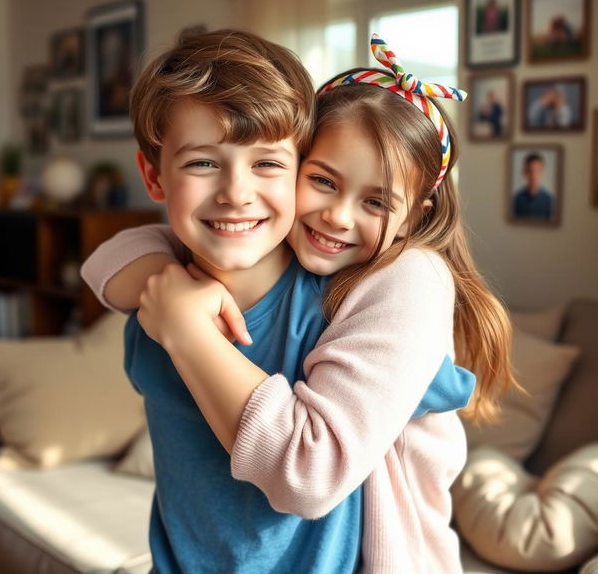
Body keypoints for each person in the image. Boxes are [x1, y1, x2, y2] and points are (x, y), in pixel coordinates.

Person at [83, 31, 514, 573]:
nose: (236, 192)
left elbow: (310, 476)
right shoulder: (157, 289)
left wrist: (186, 328)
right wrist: (166, 291)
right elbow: (106, 261)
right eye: (201, 164)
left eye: (266, 164)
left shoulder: (379, 293)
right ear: (154, 176)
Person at [512, 152, 554, 220]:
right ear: (525, 172)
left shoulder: (549, 200)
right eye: (530, 171)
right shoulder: (516, 199)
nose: (534, 175)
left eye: (537, 171)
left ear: (542, 172)